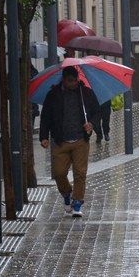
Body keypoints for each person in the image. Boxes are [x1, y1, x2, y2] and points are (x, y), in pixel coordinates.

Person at [39, 66, 100, 217]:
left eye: (75, 80)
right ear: (64, 80)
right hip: (60, 141)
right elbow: (45, 117)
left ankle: (77, 202)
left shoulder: (86, 93)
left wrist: (91, 123)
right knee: (59, 173)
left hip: (80, 140)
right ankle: (67, 193)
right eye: (70, 81)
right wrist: (44, 136)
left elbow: (97, 112)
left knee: (80, 173)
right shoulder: (53, 95)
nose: (73, 83)